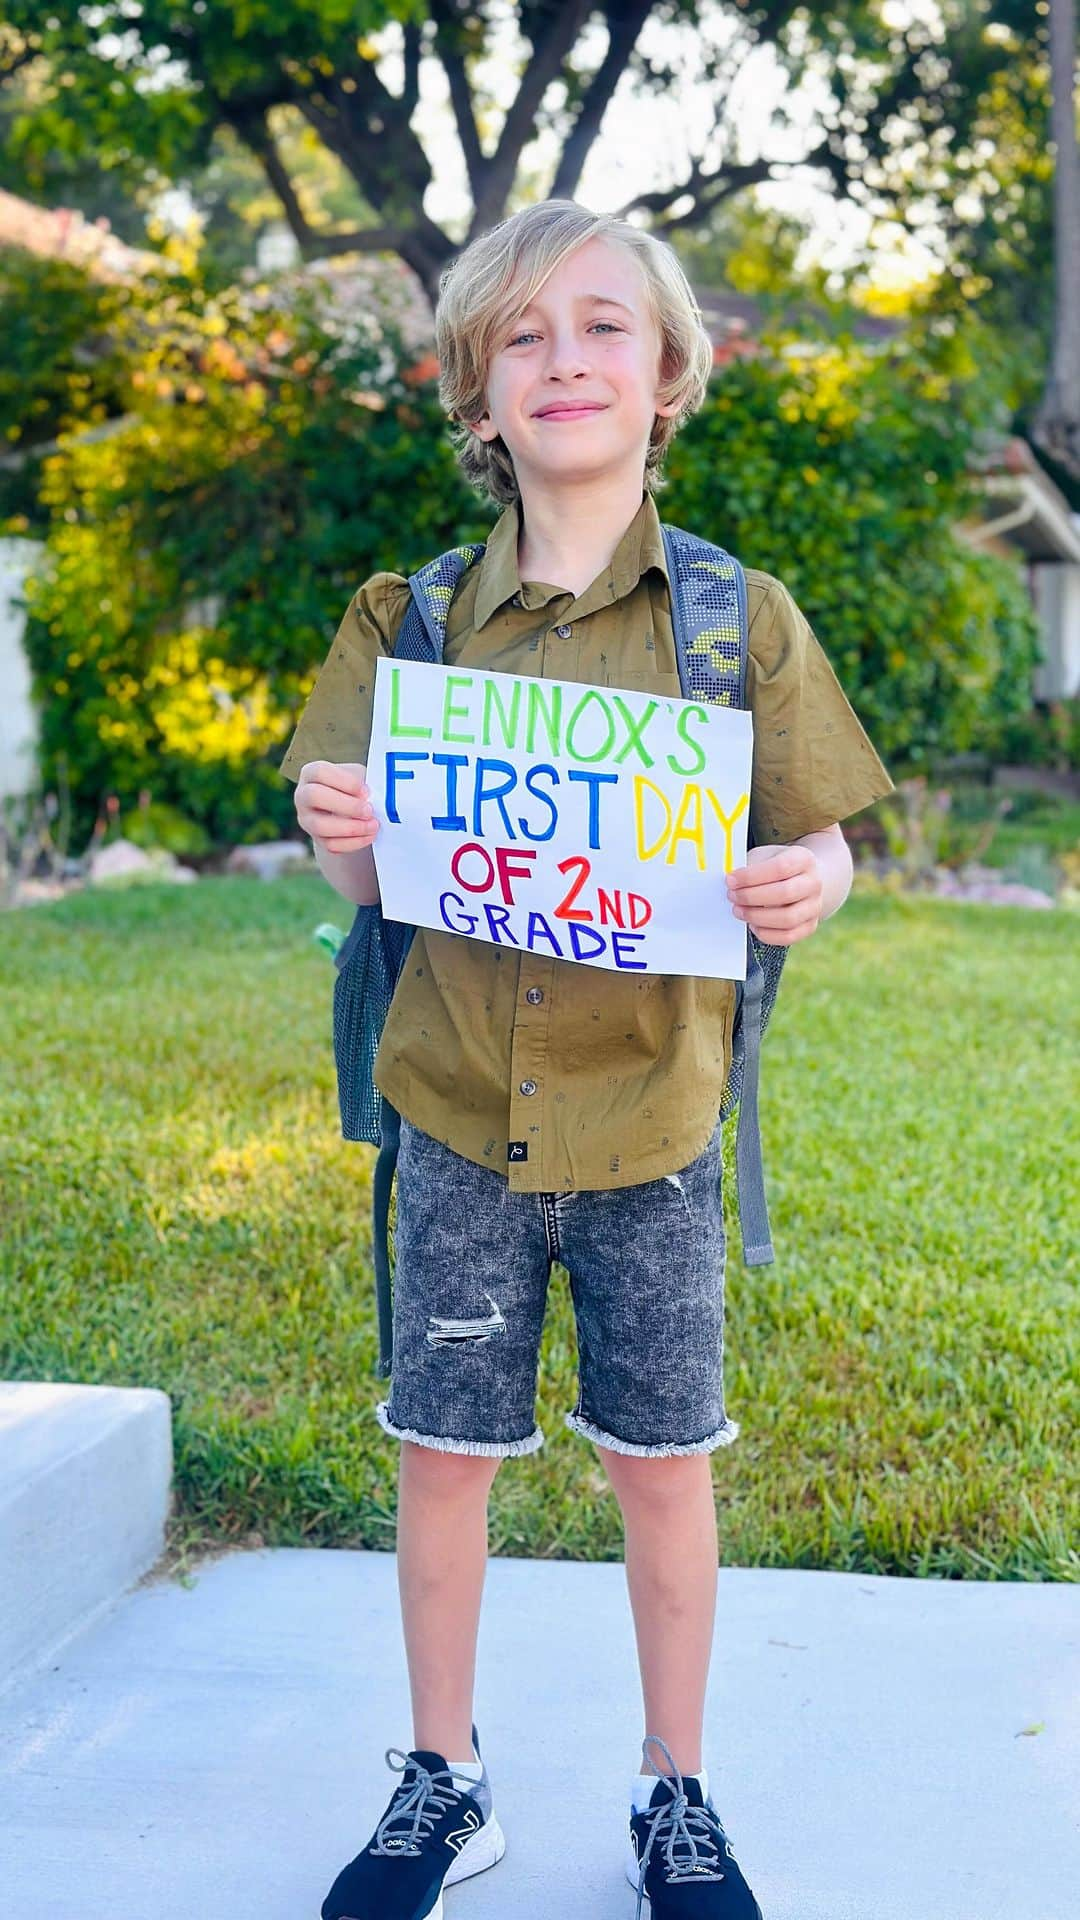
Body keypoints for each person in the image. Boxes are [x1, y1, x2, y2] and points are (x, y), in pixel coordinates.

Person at [280, 200, 894, 1920]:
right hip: (461, 1120)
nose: (567, 359)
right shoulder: (405, 622)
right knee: (443, 1453)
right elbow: (368, 865)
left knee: (661, 1462)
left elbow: (824, 844)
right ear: (478, 391)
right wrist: (340, 821)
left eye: (605, 326)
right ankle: (441, 1774)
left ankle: (675, 1789)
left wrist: (811, 877)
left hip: (656, 1129)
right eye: (526, 335)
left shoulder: (732, 621)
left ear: (671, 372)